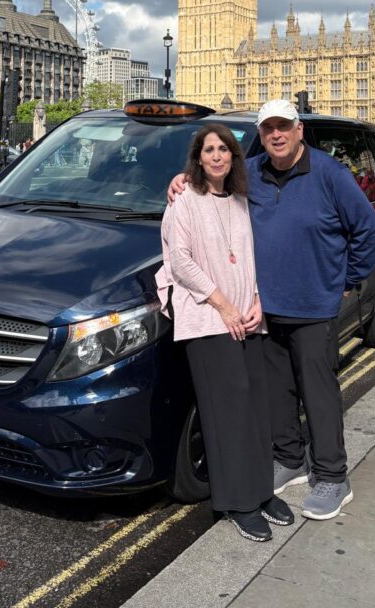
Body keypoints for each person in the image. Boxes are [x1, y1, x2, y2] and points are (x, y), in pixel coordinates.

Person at [169, 100, 375, 521]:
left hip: (314, 306)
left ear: (299, 130)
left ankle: (333, 476)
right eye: (269, 129)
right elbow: (213, 179)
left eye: (284, 127)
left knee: (318, 394)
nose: (277, 135)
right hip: (263, 308)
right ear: (261, 135)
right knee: (276, 392)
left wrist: (344, 282)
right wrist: (179, 181)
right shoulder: (254, 171)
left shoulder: (329, 174)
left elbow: (367, 229)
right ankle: (289, 458)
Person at [157, 124, 293, 542]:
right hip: (208, 317)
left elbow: (253, 257)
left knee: (256, 405)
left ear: (234, 157)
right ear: (197, 159)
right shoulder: (185, 201)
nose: (216, 156)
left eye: (224, 150)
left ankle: (260, 491)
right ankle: (236, 502)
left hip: (246, 315)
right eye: (208, 150)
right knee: (226, 411)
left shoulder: (239, 199)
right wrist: (223, 304)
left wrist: (254, 302)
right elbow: (179, 261)